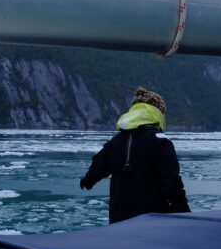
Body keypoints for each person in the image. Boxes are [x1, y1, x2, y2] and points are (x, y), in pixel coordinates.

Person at [80, 87, 190, 223]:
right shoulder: (161, 142)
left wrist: (88, 181)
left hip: (119, 220)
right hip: (154, 220)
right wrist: (184, 215)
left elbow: (97, 168)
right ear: (159, 114)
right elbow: (172, 183)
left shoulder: (114, 142)